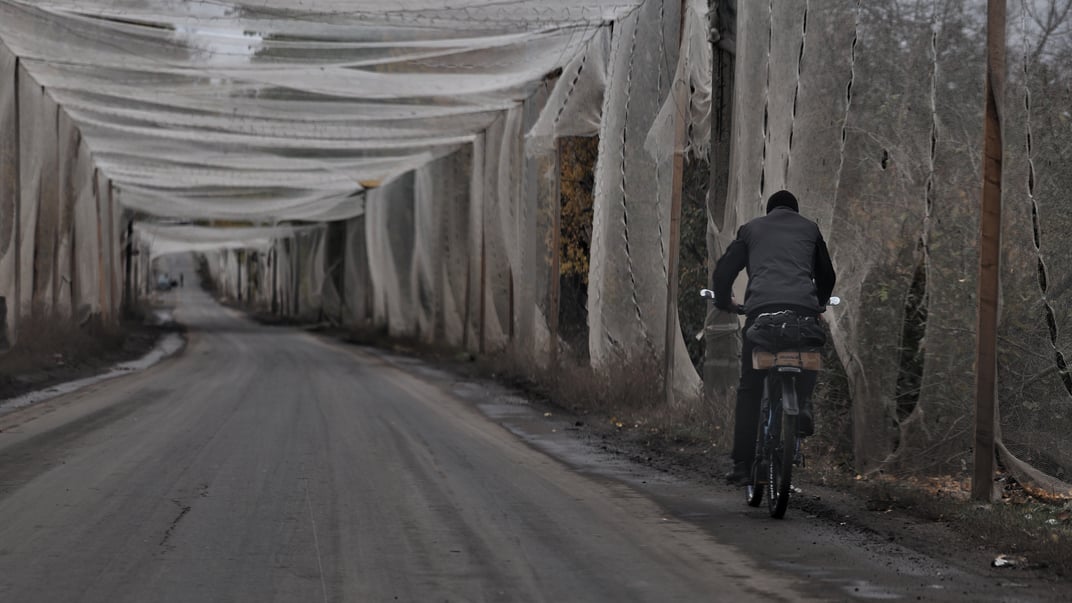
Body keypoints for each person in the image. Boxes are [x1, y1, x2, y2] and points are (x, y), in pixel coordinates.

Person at [711, 190, 836, 486]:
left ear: (770, 211)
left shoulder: (751, 229)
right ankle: (802, 405)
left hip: (762, 317)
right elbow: (827, 276)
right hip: (802, 316)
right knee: (809, 355)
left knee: (750, 388)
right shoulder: (810, 229)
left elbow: (724, 271)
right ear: (795, 211)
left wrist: (724, 302)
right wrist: (818, 303)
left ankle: (743, 465)